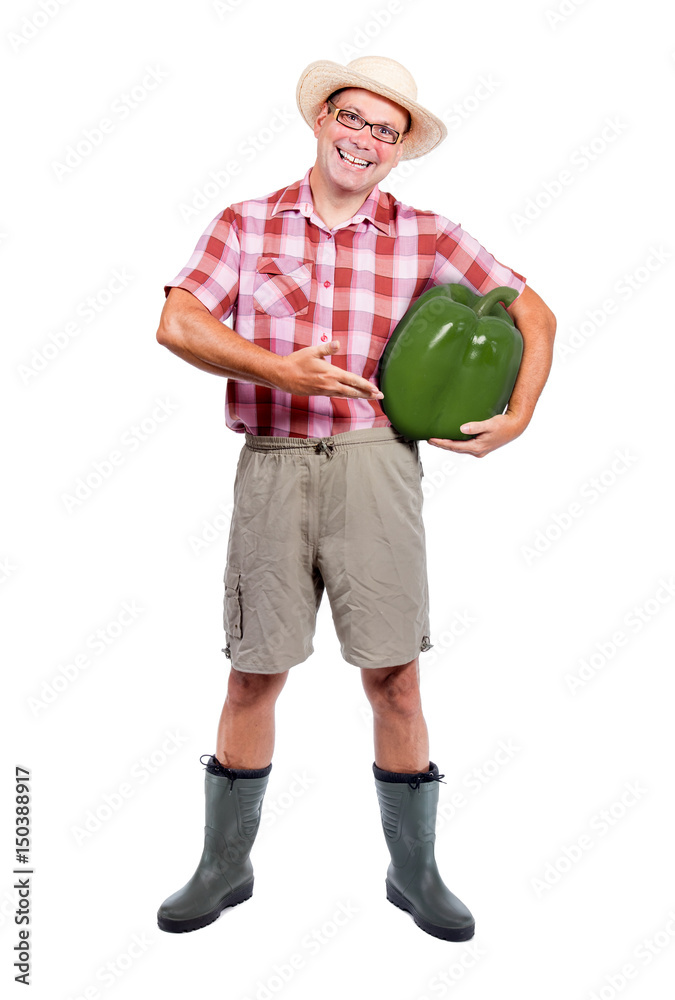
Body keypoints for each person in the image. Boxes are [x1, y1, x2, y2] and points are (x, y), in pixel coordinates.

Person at [154, 55, 556, 941]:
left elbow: (535, 314)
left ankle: (414, 873)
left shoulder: (426, 234)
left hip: (378, 464)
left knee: (396, 681)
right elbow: (178, 321)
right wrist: (275, 370)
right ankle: (225, 867)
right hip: (272, 460)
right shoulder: (246, 223)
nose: (365, 139)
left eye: (386, 129)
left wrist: (518, 416)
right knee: (254, 670)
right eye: (353, 118)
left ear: (401, 150)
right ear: (320, 120)